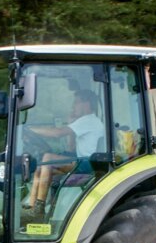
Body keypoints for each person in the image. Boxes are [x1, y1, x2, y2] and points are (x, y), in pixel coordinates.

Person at [21, 89, 105, 221]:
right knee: (41, 166)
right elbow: (71, 147)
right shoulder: (85, 121)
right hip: (82, 160)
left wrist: (28, 129)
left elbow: (57, 133)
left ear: (86, 104)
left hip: (88, 163)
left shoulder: (89, 120)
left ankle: (39, 208)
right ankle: (32, 207)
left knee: (48, 158)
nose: (73, 106)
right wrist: (71, 123)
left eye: (76, 103)